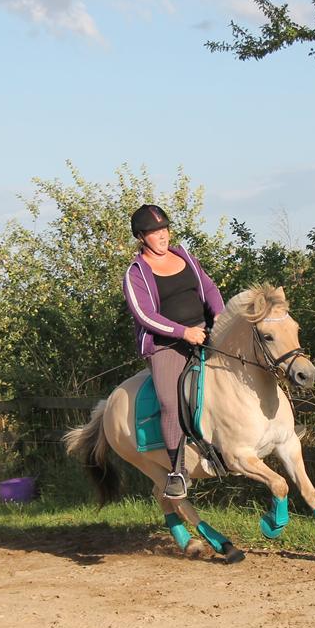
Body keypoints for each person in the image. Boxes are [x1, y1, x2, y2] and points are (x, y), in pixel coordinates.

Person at [123, 204, 224, 500]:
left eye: (165, 229)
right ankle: (178, 471)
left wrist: (219, 316)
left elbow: (210, 289)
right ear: (142, 237)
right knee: (170, 400)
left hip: (205, 333)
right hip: (166, 345)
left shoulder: (185, 257)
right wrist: (183, 332)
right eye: (155, 232)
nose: (163, 236)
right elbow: (145, 315)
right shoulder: (136, 273)